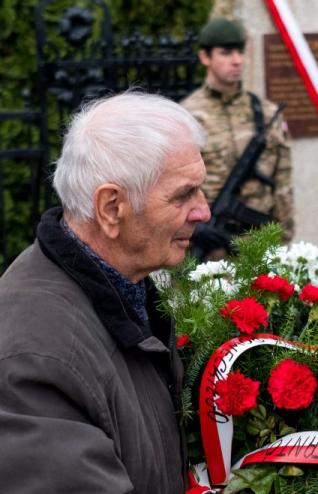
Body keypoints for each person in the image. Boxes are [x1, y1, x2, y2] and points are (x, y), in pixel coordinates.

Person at [0, 92, 211, 492]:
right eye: (184, 194)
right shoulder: (38, 358)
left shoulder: (124, 287)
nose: (204, 211)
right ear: (112, 208)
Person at [182, 17, 293, 255]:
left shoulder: (266, 113)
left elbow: (283, 183)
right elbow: (173, 185)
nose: (237, 60)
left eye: (240, 52)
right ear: (205, 57)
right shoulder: (185, 116)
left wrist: (284, 245)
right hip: (208, 250)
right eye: (226, 53)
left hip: (258, 247)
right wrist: (190, 229)